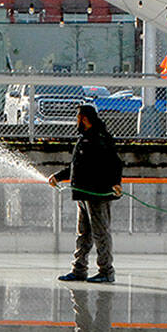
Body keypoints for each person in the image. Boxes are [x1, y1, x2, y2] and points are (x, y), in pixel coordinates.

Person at [47, 103, 123, 283]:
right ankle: (79, 269)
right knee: (83, 234)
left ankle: (106, 271)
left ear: (85, 119)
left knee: (100, 233)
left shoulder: (100, 138)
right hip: (83, 194)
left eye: (78, 117)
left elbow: (115, 163)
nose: (76, 121)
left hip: (96, 194)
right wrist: (59, 177)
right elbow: (76, 167)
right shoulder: (85, 138)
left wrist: (115, 183)